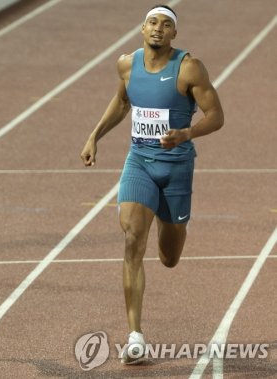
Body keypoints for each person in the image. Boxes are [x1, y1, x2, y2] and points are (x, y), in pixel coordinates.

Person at [80, 5, 223, 365]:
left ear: (174, 34)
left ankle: (171, 222)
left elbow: (216, 116)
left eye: (166, 25)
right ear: (142, 29)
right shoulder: (127, 64)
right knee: (131, 240)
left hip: (176, 168)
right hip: (139, 163)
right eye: (152, 23)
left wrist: (186, 133)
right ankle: (135, 337)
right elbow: (122, 100)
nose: (158, 29)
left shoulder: (189, 67)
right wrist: (94, 135)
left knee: (169, 258)